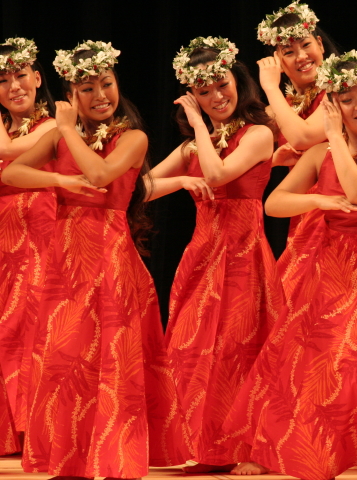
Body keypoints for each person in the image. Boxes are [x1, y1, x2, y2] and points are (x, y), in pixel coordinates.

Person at [219, 49, 357, 480]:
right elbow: (275, 203)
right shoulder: (319, 154)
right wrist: (317, 201)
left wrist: (333, 138)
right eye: (347, 99)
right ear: (334, 106)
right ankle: (294, 451)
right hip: (329, 267)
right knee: (304, 360)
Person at [2, 40, 188, 478]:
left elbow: (102, 174)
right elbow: (11, 173)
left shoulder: (134, 138)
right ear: (72, 95)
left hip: (111, 257)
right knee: (67, 358)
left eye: (106, 84)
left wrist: (67, 131)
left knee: (113, 357)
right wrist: (58, 179)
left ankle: (117, 454)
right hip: (64, 261)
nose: (100, 95)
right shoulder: (57, 138)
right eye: (87, 89)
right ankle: (71, 455)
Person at [150, 36, 282, 473]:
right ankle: (197, 444)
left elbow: (218, 173)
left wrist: (197, 124)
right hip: (202, 257)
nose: (216, 97)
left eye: (221, 84)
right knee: (190, 348)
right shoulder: (195, 145)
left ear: (238, 80)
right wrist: (179, 181)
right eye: (203, 92)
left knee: (238, 350)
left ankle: (247, 449)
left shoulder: (259, 134)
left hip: (244, 256)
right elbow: (141, 188)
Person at [255, 2, 339, 286]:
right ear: (278, 61)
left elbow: (303, 137)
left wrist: (270, 87)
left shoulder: (341, 90)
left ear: (320, 44)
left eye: (305, 45)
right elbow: (245, 144)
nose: (301, 56)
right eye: (288, 52)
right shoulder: (287, 105)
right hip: (303, 212)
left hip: (338, 207)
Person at [0, 37, 56, 443]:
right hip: (4, 241)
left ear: (37, 78)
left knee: (33, 327)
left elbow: (8, 151)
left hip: (40, 238)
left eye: (20, 75)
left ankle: (37, 428)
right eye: (3, 80)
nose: (14, 86)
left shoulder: (53, 126)